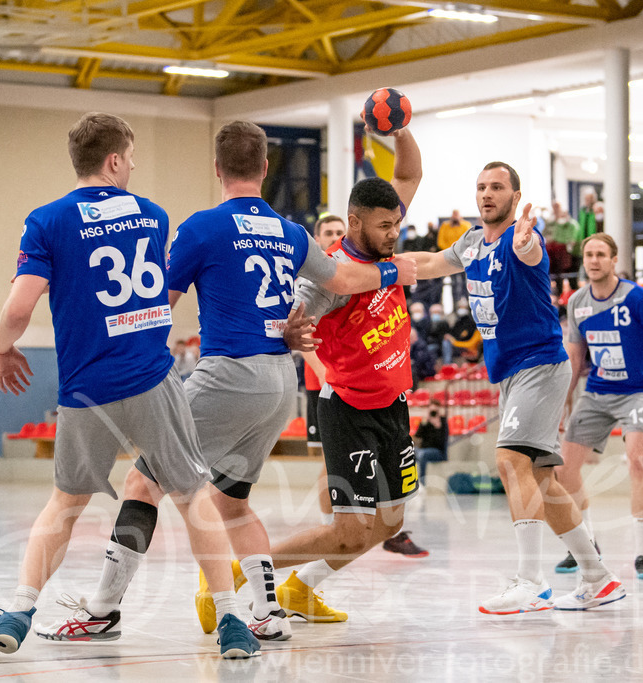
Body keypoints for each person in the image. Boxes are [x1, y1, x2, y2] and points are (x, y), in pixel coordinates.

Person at [32, 121, 417, 645]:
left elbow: (157, 307)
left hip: (227, 375)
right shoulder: (290, 231)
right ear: (264, 168)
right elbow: (344, 279)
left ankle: (102, 608)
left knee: (143, 483)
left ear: (216, 169)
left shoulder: (200, 228)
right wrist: (398, 272)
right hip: (281, 382)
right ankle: (266, 612)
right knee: (233, 502)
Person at [0, 112, 261, 660]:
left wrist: (3, 348)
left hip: (86, 391)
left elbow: (20, 307)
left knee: (63, 506)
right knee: (194, 500)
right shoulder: (152, 214)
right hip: (152, 380)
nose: (134, 166)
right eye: (131, 156)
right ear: (115, 160)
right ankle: (233, 624)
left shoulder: (46, 222)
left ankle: (19, 610)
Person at [404, 161, 625, 613]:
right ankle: (598, 578)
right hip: (510, 372)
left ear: (514, 194)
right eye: (481, 186)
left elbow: (530, 253)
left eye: (497, 187)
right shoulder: (469, 242)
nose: (487, 194)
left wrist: (524, 243)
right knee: (542, 480)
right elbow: (428, 263)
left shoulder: (525, 238)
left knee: (509, 460)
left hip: (539, 365)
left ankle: (532, 582)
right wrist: (381, 261)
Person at [268, 129, 428, 616]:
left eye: (396, 224)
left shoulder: (384, 239)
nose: (393, 233)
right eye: (384, 227)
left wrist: (399, 129)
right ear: (355, 223)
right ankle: (243, 573)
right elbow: (288, 318)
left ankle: (302, 587)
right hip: (349, 409)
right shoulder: (329, 273)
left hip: (394, 407)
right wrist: (293, 335)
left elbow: (409, 173)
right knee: (348, 530)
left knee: (391, 523)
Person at [555, 233, 643, 580]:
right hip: (597, 391)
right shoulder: (577, 302)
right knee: (564, 471)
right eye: (588, 254)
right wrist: (563, 400)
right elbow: (574, 355)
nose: (594, 260)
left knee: (638, 459)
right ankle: (587, 543)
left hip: (638, 391)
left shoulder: (638, 299)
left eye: (601, 254)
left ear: (614, 260)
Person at [304, 215, 348, 457]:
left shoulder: (353, 273)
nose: (335, 237)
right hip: (322, 377)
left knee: (346, 454)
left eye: (339, 232)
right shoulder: (306, 277)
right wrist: (324, 375)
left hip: (349, 374)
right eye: (329, 233)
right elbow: (300, 336)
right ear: (317, 239)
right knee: (327, 458)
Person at [414, 397, 449, 480]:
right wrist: (424, 422)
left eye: (435, 411)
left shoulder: (442, 422)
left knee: (423, 454)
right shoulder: (426, 421)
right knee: (410, 452)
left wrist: (437, 426)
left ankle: (422, 481)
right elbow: (417, 436)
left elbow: (442, 442)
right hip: (423, 449)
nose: (433, 413)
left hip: (437, 452)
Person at [547, 201, 581, 274]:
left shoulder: (573, 225)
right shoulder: (557, 224)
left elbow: (572, 240)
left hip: (573, 254)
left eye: (563, 216)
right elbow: (554, 237)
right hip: (558, 254)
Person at [443, 299, 482, 364]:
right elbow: (453, 333)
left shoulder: (472, 323)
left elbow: (470, 343)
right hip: (459, 345)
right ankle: (447, 365)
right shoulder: (458, 322)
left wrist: (454, 341)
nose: (462, 309)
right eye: (460, 307)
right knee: (445, 342)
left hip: (467, 347)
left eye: (464, 307)